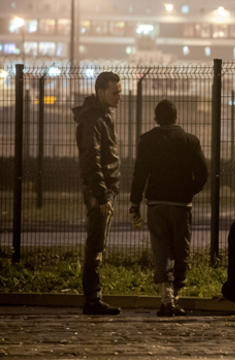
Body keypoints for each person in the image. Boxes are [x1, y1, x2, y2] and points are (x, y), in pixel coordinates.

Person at [129, 99, 208, 316]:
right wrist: (189, 190)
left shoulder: (147, 141)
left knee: (161, 250)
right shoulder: (190, 141)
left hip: (156, 203)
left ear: (156, 118)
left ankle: (166, 298)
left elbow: (140, 174)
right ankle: (176, 295)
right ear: (176, 117)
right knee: (181, 250)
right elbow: (203, 173)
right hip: (181, 204)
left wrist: (135, 202)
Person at [73, 71, 122, 315]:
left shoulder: (100, 117)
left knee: (97, 243)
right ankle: (93, 299)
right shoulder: (94, 119)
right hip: (100, 191)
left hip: (102, 189)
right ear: (100, 92)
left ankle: (94, 297)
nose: (118, 97)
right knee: (96, 243)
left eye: (119, 92)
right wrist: (102, 195)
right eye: (114, 93)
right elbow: (92, 159)